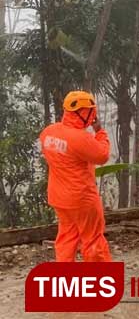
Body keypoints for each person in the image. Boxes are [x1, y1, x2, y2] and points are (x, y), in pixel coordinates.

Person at [39, 90, 112, 262]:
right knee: (93, 239)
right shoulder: (80, 138)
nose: (94, 115)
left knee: (66, 238)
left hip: (59, 198)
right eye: (91, 111)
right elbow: (102, 155)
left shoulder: (49, 132)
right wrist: (100, 131)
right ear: (83, 112)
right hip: (82, 199)